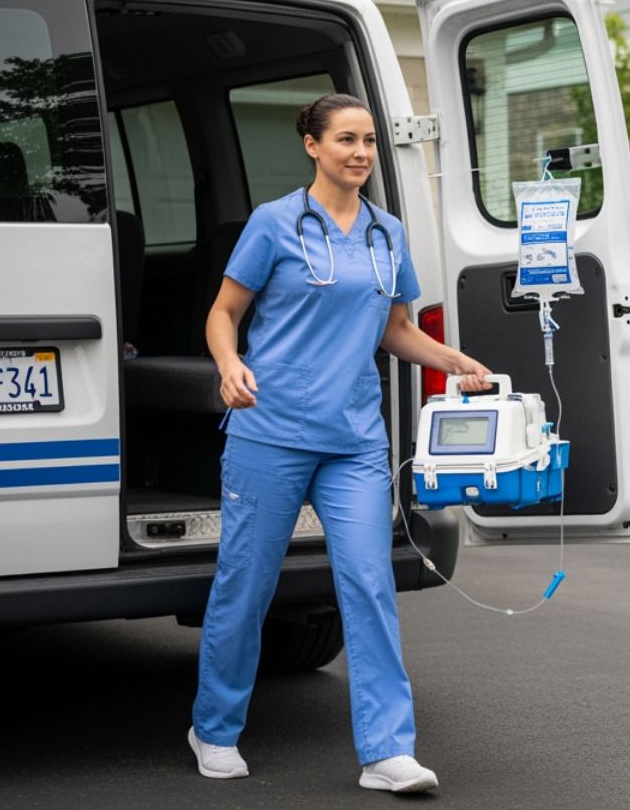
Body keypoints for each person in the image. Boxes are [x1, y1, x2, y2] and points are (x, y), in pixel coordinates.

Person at [189, 93, 492, 793]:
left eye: (368, 142)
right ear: (312, 146)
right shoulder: (274, 225)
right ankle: (215, 726)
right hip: (271, 432)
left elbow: (396, 329)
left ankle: (388, 751)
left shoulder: (386, 233)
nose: (360, 152)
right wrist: (230, 365)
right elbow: (223, 313)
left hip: (353, 439)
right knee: (247, 584)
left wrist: (456, 361)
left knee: (369, 583)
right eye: (346, 140)